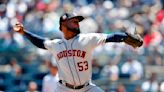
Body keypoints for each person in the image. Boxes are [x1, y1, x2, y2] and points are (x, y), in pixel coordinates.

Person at [13, 12, 143, 92]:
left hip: (87, 88)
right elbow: (41, 42)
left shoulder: (87, 39)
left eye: (77, 21)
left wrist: (125, 38)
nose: (77, 23)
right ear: (63, 25)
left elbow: (111, 36)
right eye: (73, 21)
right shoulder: (56, 44)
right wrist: (24, 32)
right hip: (63, 89)